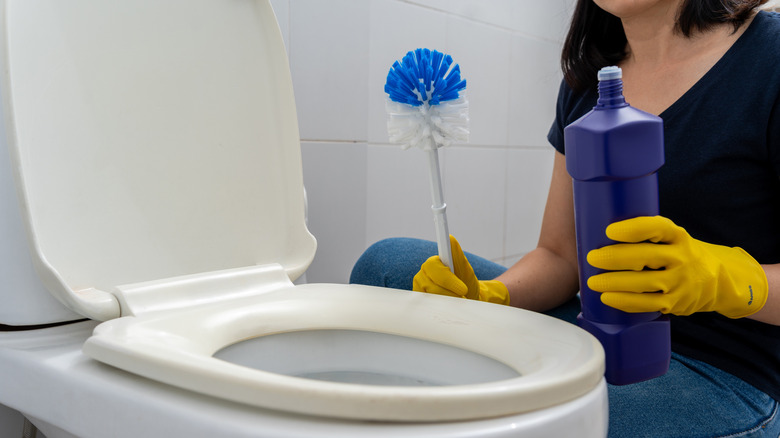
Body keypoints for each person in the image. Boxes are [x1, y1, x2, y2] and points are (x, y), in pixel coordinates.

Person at [349, 0, 780, 436]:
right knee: (386, 268)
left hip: (722, 373)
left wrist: (728, 280)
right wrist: (490, 297)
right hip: (595, 329)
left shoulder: (770, 56)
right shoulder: (589, 80)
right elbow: (560, 254)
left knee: (538, 419)